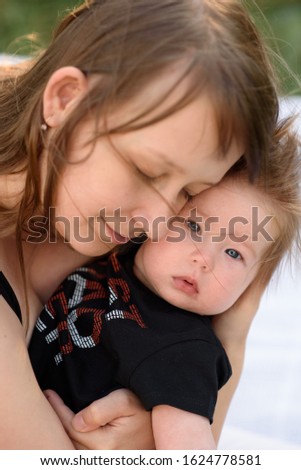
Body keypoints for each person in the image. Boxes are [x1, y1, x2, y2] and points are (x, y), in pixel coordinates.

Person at [0, 0, 294, 449]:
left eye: (189, 192)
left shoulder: (97, 224)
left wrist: (232, 332)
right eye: (146, 171)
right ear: (65, 100)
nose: (161, 222)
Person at [28, 134, 301, 450]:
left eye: (233, 253)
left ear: (251, 287)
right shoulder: (114, 248)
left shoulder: (185, 351)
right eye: (194, 227)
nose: (203, 259)